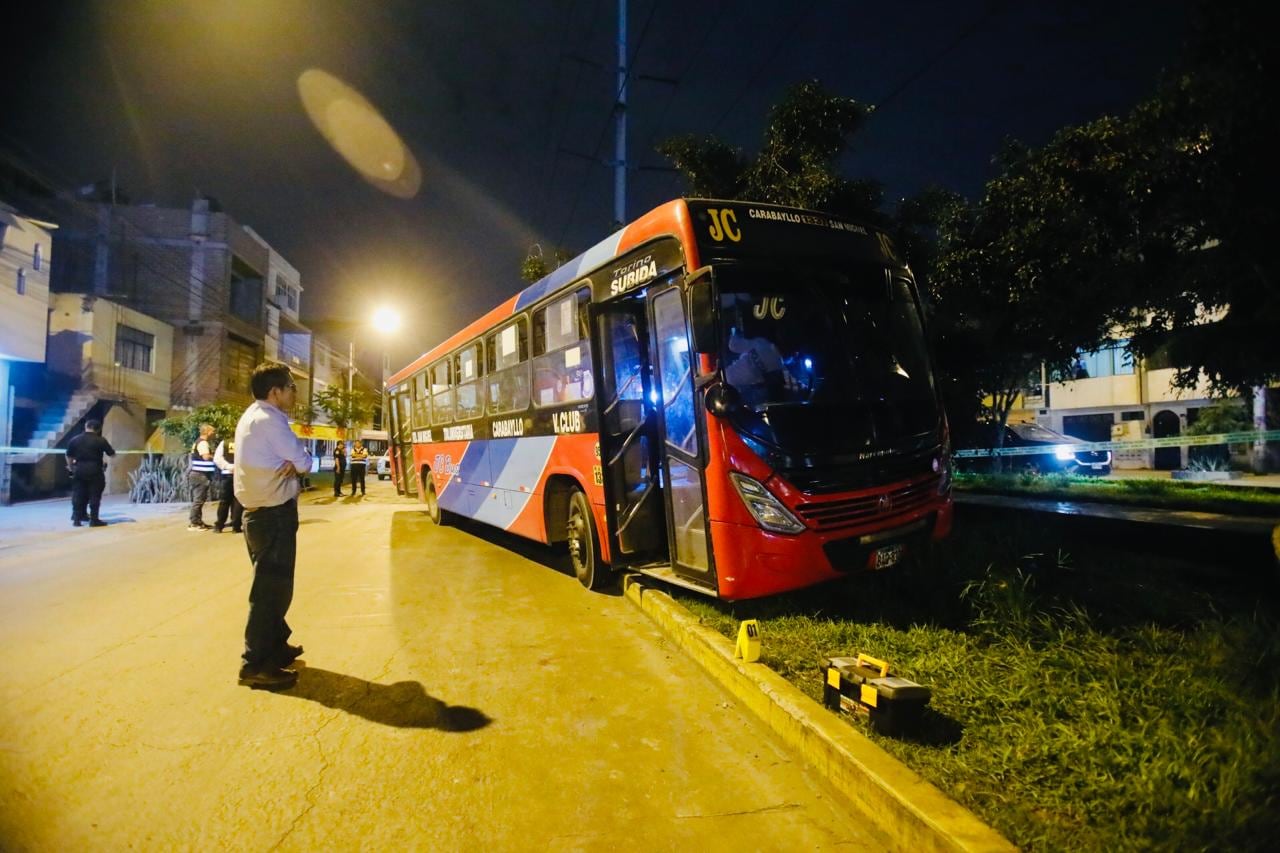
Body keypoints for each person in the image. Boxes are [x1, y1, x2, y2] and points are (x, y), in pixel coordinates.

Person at [234, 362, 313, 690]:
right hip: (272, 515)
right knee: (271, 592)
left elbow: (294, 462)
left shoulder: (253, 416)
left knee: (272, 587)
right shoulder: (270, 420)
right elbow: (304, 462)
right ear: (275, 392)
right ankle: (255, 664)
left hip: (259, 514)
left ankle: (276, 647)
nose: (295, 393)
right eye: (291, 387)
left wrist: (293, 463)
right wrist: (296, 463)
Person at [724, 328, 797, 405]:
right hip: (732, 393)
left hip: (725, 378)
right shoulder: (778, 367)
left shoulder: (762, 343)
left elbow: (733, 345)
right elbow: (762, 384)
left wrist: (735, 332)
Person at [65, 419, 115, 527]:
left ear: (86, 426)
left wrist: (71, 468)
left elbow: (69, 456)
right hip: (95, 470)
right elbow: (111, 454)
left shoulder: (75, 439)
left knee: (78, 494)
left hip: (79, 470)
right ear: (98, 429)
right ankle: (94, 520)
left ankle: (77, 519)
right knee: (95, 495)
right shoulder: (101, 440)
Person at [187, 423, 218, 531]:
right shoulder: (203, 443)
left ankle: (198, 521)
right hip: (200, 475)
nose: (214, 433)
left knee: (199, 499)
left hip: (198, 474)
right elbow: (206, 457)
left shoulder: (198, 442)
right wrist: (216, 457)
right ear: (207, 432)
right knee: (199, 500)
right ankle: (194, 523)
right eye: (213, 431)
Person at [212, 437, 243, 533]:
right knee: (239, 500)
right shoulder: (247, 441)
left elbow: (217, 458)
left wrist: (227, 466)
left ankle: (219, 526)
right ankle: (236, 526)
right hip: (241, 475)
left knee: (224, 501)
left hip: (227, 475)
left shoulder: (225, 443)